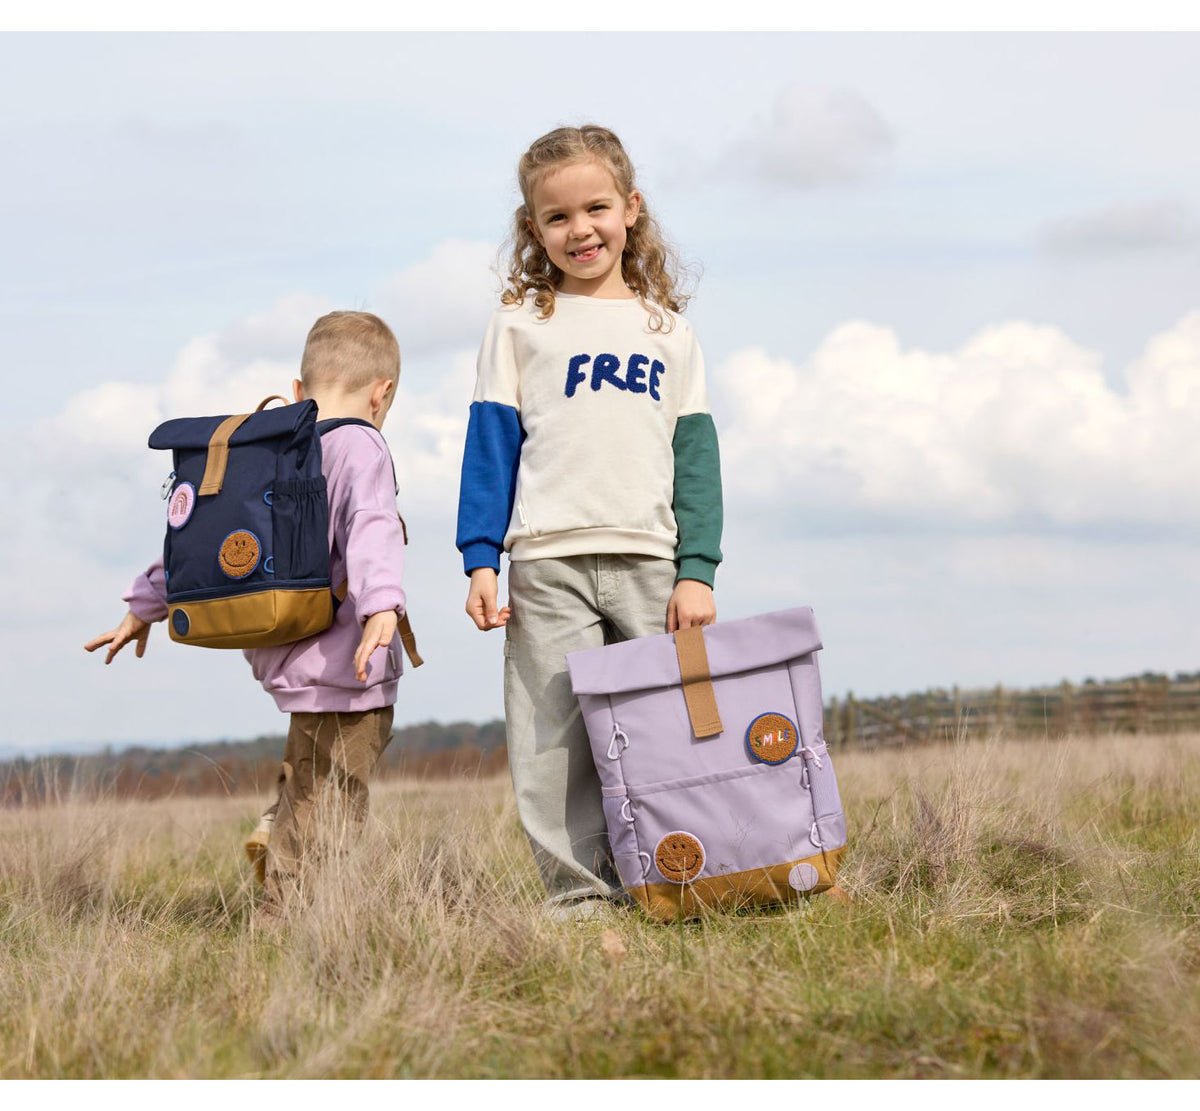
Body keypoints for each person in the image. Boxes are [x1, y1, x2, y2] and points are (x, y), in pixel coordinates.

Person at [456, 125, 723, 920]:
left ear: (631, 209)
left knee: (667, 727)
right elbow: (489, 449)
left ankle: (679, 876)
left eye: (597, 207)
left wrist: (698, 570)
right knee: (552, 742)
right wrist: (480, 557)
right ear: (533, 229)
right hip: (547, 562)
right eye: (558, 217)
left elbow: (697, 460)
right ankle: (579, 897)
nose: (581, 230)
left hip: (650, 561)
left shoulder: (669, 334)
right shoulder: (518, 326)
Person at [86, 311, 411, 918]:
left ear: (296, 391)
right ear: (382, 391)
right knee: (335, 799)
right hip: (350, 663)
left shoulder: (273, 449)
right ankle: (286, 916)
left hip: (289, 656)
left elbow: (204, 546)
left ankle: (275, 829)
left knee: (309, 778)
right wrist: (381, 607)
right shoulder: (361, 443)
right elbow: (372, 526)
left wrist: (142, 607)